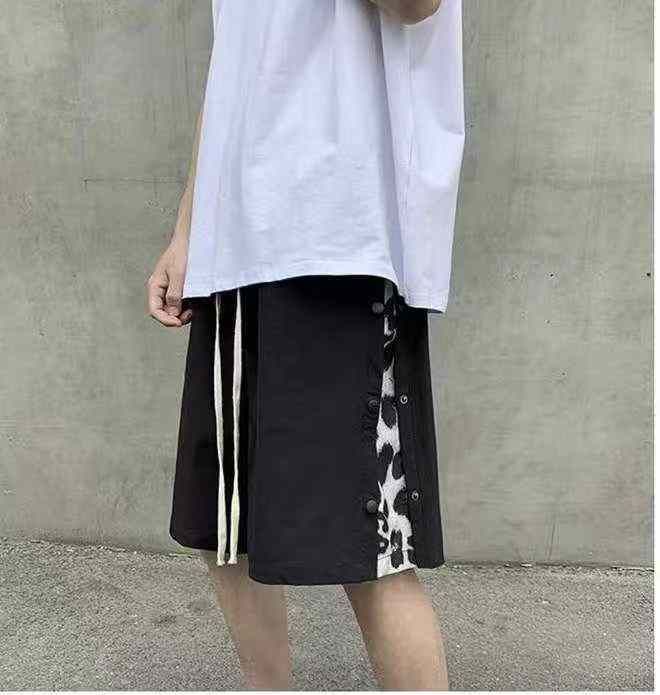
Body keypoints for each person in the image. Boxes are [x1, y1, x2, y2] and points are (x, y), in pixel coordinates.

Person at [147, 0, 465, 689]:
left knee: (373, 549)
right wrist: (188, 230)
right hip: (236, 241)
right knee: (226, 523)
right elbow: (236, 60)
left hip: (339, 234)